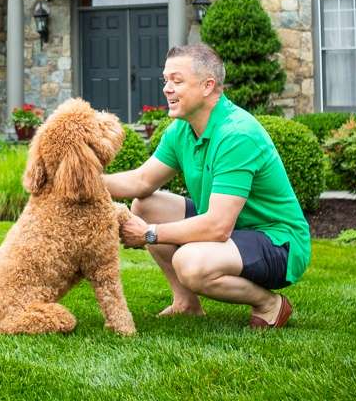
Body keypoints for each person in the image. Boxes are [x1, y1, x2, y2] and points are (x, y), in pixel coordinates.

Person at [103, 43, 310, 328]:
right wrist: (82, 181)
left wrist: (149, 234)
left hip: (276, 242)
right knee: (146, 205)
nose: (166, 88)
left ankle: (270, 305)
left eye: (177, 81)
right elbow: (141, 181)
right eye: (166, 80)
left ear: (207, 86)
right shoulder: (182, 129)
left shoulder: (237, 134)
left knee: (190, 263)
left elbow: (217, 227)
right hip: (232, 231)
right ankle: (186, 303)